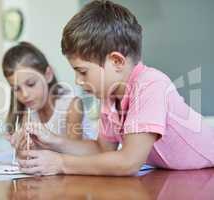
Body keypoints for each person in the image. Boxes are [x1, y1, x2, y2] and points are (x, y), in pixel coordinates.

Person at [18, 0, 214, 176]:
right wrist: (52, 141)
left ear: (116, 61)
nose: (78, 80)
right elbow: (102, 149)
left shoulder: (151, 85)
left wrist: (61, 163)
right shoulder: (110, 96)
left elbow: (128, 162)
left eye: (83, 71)